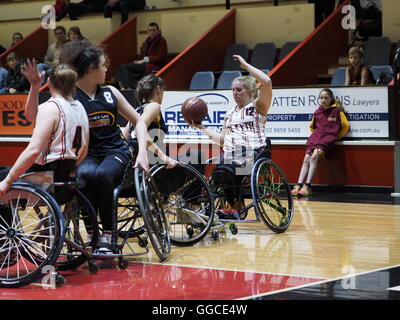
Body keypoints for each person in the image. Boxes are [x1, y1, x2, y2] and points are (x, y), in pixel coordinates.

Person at [52, 39, 148, 254]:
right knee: (85, 176)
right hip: (86, 154)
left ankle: (108, 233)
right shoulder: (70, 98)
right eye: (103, 65)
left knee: (103, 175)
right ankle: (93, 233)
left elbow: (139, 121)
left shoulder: (111, 92)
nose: (107, 68)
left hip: (116, 151)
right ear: (91, 69)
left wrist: (142, 153)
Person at [186, 55, 272, 218]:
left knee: (225, 167)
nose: (234, 93)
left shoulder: (258, 106)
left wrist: (246, 66)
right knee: (217, 169)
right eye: (232, 90)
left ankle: (233, 206)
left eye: (239, 90)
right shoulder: (230, 114)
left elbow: (266, 82)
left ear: (251, 91)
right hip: (231, 154)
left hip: (253, 151)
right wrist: (202, 127)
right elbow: (223, 141)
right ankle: (225, 205)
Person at [0, 59, 89, 196]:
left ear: (49, 82)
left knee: (3, 175)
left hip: (47, 176)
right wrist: (34, 86)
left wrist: (8, 180)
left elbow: (33, 151)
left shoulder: (51, 108)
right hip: (69, 174)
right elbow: (31, 116)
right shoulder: (80, 107)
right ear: (73, 85)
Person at [291, 88, 350, 197]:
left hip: (327, 139)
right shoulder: (317, 112)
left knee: (314, 157)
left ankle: (308, 186)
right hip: (316, 138)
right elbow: (312, 127)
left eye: (326, 98)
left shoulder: (337, 111)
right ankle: (298, 185)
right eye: (321, 98)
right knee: (306, 158)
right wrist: (317, 135)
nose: (323, 100)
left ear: (331, 99)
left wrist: (335, 136)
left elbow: (345, 126)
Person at [121, 73, 177, 168]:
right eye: (164, 89)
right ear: (158, 89)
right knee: (197, 155)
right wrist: (163, 156)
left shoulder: (137, 109)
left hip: (133, 157)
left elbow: (125, 137)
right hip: (152, 161)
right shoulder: (153, 106)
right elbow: (140, 131)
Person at [114, 22, 167, 89]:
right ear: (147, 31)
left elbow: (159, 56)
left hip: (153, 65)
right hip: (145, 63)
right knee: (121, 67)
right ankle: (122, 85)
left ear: (158, 31)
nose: (152, 32)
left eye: (154, 30)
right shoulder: (147, 41)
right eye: (150, 30)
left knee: (124, 67)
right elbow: (143, 55)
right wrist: (138, 60)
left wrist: (143, 60)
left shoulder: (161, 41)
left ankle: (130, 86)